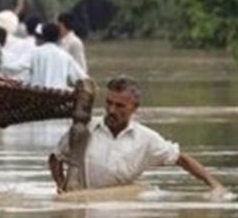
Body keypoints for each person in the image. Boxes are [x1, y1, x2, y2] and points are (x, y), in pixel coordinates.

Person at [49, 76, 225, 194]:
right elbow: (56, 157)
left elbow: (181, 159)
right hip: (84, 202)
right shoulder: (84, 129)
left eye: (120, 106)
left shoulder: (146, 139)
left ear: (134, 108)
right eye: (109, 103)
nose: (111, 110)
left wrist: (215, 186)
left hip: (119, 205)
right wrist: (61, 186)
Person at [27, 23, 86, 90]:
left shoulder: (34, 53)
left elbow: (19, 67)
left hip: (37, 95)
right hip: (58, 96)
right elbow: (81, 78)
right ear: (58, 37)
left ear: (43, 35)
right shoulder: (65, 56)